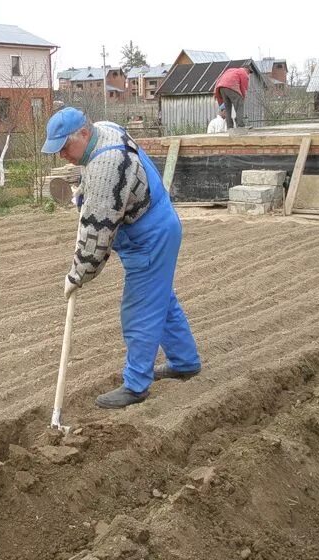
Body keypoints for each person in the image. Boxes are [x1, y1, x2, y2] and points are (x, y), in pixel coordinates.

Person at [42, 107, 201, 409]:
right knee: (160, 301)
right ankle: (185, 362)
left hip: (149, 238)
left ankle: (136, 384)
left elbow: (96, 239)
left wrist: (76, 275)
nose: (62, 155)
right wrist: (81, 195)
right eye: (57, 149)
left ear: (84, 133)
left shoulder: (107, 163)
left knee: (139, 310)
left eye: (65, 147)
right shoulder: (103, 130)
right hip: (156, 225)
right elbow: (93, 185)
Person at [214, 62, 252, 129]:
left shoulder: (230, 70)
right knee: (239, 103)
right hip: (231, 86)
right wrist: (243, 97)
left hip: (221, 88)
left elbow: (219, 79)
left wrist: (216, 91)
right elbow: (244, 87)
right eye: (249, 72)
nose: (248, 74)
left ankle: (229, 126)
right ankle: (240, 125)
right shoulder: (243, 72)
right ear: (247, 70)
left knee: (227, 107)